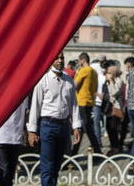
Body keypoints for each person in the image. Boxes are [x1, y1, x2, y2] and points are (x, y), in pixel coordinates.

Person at [27, 53, 82, 186]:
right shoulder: (43, 80)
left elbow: (74, 104)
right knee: (47, 166)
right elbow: (35, 106)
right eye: (57, 58)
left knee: (57, 165)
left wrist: (76, 126)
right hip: (47, 125)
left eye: (62, 58)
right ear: (50, 60)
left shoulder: (68, 80)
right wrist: (32, 131)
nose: (60, 60)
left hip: (64, 126)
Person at [0, 97, 28, 186]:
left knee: (10, 174)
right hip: (0, 137)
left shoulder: (24, 91)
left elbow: (26, 112)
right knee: (3, 173)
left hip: (16, 137)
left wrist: (26, 132)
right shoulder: (3, 91)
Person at [72, 52, 101, 154]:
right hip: (90, 101)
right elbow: (95, 88)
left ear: (83, 60)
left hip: (82, 101)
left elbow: (74, 85)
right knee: (87, 128)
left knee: (82, 127)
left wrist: (76, 74)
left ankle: (74, 152)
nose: (79, 62)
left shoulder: (84, 70)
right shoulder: (94, 72)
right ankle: (97, 151)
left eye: (79, 60)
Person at [104, 63, 125, 156]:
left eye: (108, 72)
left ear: (113, 73)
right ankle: (113, 146)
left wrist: (111, 82)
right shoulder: (107, 82)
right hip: (109, 108)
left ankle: (116, 147)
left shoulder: (119, 81)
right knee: (109, 128)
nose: (106, 74)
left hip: (116, 108)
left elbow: (114, 92)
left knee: (113, 128)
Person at [90, 55, 107, 151]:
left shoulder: (105, 77)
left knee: (105, 122)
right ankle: (98, 142)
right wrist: (96, 93)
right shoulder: (96, 75)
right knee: (96, 122)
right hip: (97, 102)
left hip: (104, 102)